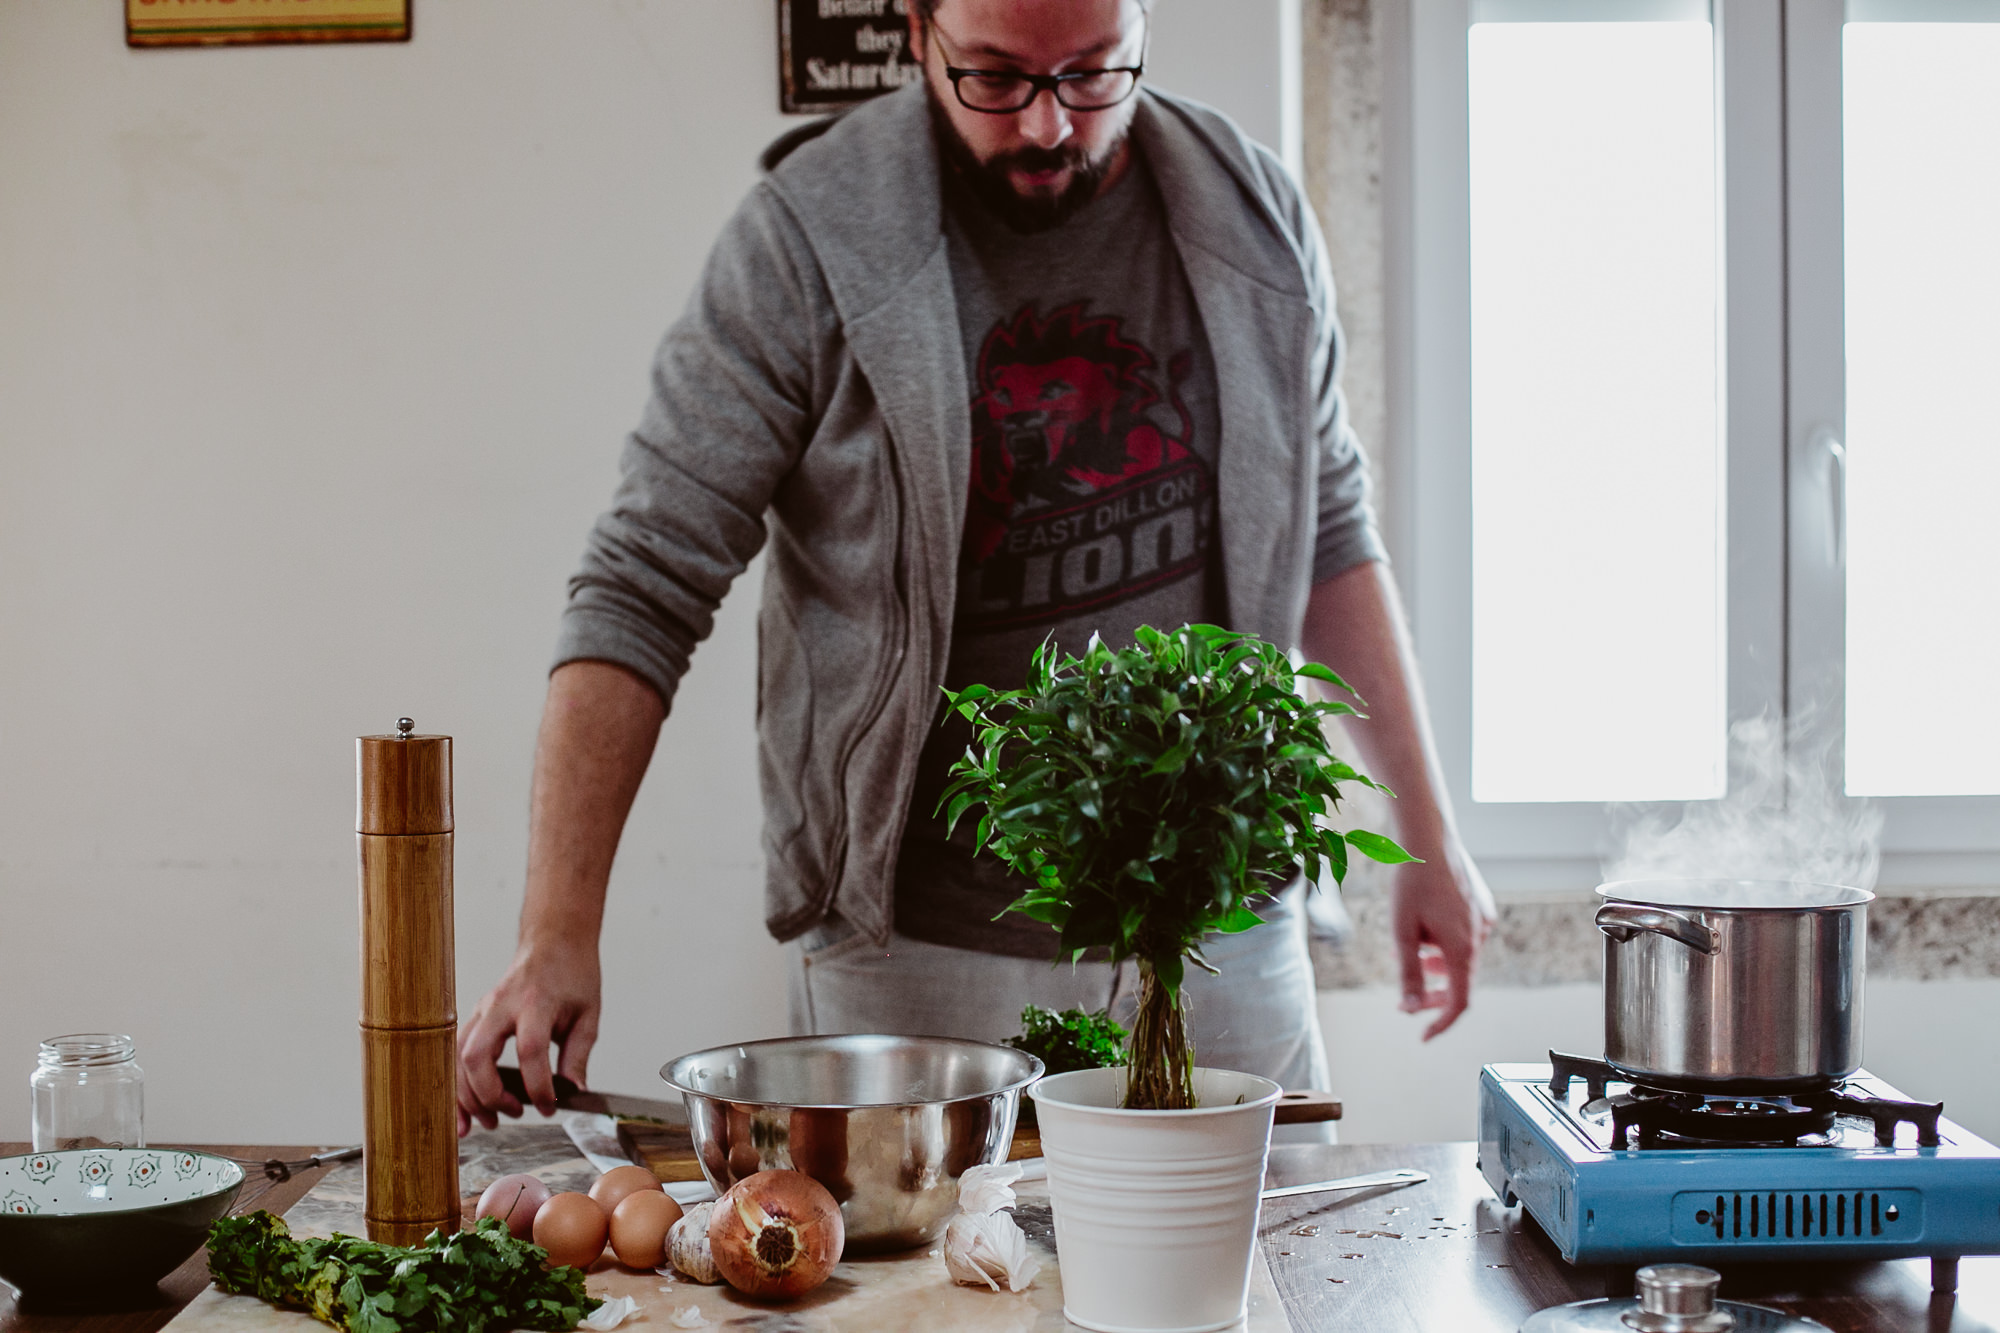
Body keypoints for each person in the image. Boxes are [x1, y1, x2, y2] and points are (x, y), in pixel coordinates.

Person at [456, 0, 1494, 1135]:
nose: (1048, 126)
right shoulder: (806, 240)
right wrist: (556, 930)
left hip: (1220, 934)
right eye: (995, 78)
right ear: (917, 31)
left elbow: (1329, 527)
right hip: (919, 956)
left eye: (1093, 74)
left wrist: (1429, 843)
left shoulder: (1252, 212)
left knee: (1251, 1296)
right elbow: (644, 579)